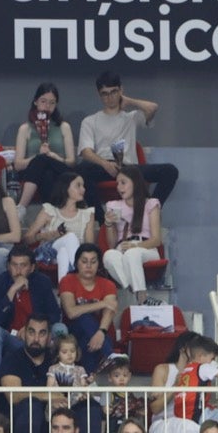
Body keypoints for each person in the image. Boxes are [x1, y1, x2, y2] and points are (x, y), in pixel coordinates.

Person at [77, 73, 176, 205]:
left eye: (114, 92)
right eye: (105, 94)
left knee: (170, 171)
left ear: (121, 90)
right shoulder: (90, 121)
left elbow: (153, 108)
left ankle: (151, 209)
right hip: (103, 167)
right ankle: (100, 216)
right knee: (82, 169)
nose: (110, 97)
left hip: (129, 168)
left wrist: (128, 101)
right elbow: (86, 152)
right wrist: (105, 164)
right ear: (99, 95)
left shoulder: (131, 117)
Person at [0, 246, 64, 385]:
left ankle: (63, 379)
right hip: (11, 337)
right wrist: (12, 291)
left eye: (23, 265)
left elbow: (55, 314)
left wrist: (31, 329)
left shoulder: (42, 282)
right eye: (14, 265)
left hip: (39, 336)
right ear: (8, 266)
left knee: (60, 329)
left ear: (32, 267)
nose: (18, 270)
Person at [102, 167, 163, 305]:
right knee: (108, 255)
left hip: (146, 247)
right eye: (117, 183)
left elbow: (156, 240)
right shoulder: (113, 205)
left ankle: (141, 297)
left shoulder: (151, 203)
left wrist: (134, 246)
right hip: (122, 247)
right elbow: (111, 244)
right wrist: (108, 224)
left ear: (135, 183)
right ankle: (138, 292)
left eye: (123, 182)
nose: (119, 187)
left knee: (132, 254)